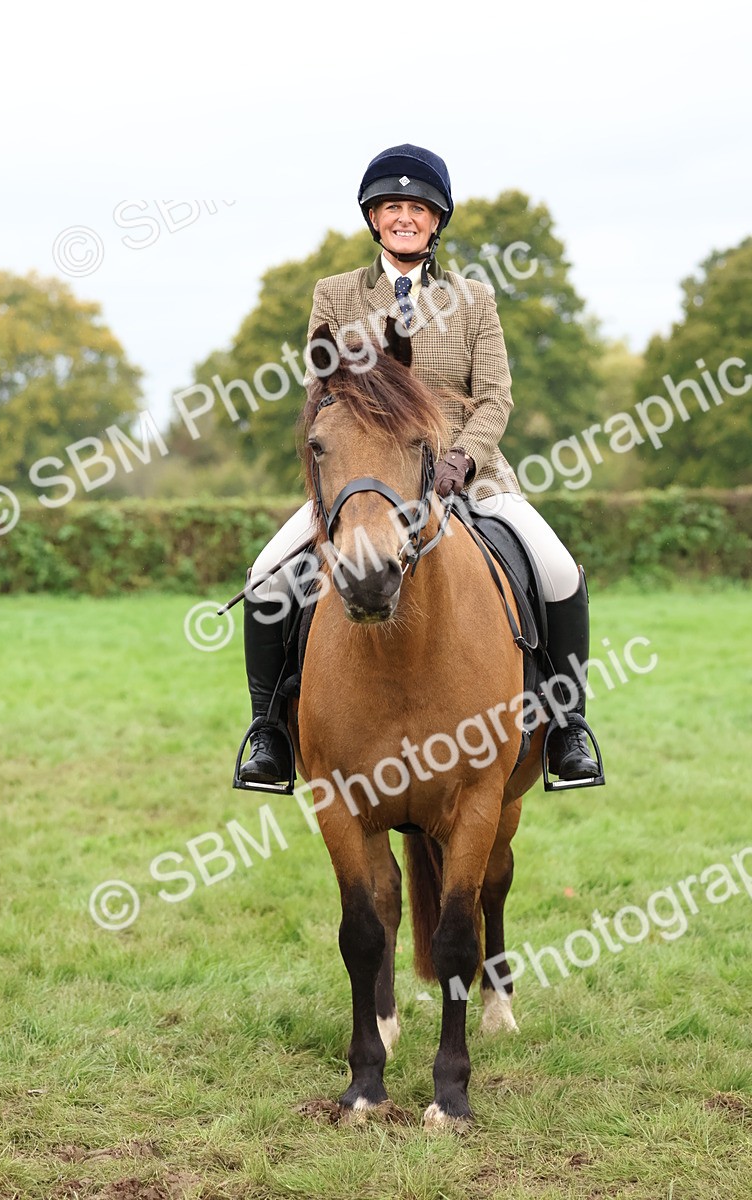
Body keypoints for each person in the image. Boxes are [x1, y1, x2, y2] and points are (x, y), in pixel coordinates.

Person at [235, 143, 602, 791]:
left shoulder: (475, 299)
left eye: (418, 208)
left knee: (557, 569)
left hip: (469, 474)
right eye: (393, 207)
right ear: (375, 219)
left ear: (436, 222)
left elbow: (496, 397)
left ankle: (568, 727)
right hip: (363, 478)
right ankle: (268, 730)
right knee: (266, 577)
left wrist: (461, 458)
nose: (405, 217)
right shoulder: (335, 294)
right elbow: (318, 392)